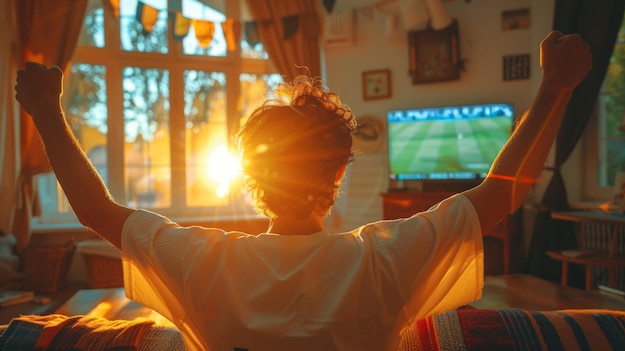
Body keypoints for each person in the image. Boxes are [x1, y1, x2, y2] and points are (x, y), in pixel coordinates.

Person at [14, 30, 592, 351]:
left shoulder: (200, 260)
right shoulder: (386, 258)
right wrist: (556, 87)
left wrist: (45, 109)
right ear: (339, 174)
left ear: (249, 179)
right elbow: (500, 194)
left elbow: (94, 211)